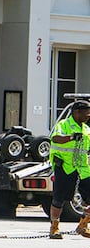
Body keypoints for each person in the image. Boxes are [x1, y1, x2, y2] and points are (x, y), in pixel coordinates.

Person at [48, 100, 90, 239]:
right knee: (59, 199)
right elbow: (56, 138)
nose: (89, 115)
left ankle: (83, 225)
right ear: (77, 112)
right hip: (65, 166)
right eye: (87, 112)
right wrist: (71, 137)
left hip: (83, 168)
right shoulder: (64, 125)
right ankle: (54, 227)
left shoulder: (86, 129)